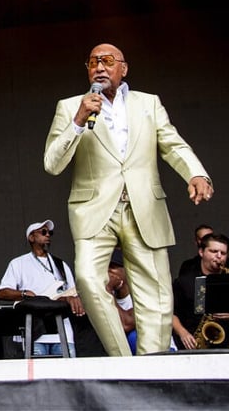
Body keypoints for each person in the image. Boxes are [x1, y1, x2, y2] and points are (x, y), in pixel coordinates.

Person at [44, 42, 214, 356]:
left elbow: (172, 144)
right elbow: (52, 163)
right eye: (93, 61)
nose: (100, 67)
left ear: (124, 68)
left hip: (144, 206)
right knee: (88, 279)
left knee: (156, 295)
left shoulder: (148, 103)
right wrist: (79, 120)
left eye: (108, 61)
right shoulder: (70, 107)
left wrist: (195, 173)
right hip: (94, 209)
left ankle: (151, 367)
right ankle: (124, 362)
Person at [0, 220, 84, 356]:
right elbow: (2, 293)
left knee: (67, 375)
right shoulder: (18, 263)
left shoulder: (61, 265)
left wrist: (73, 299)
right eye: (43, 232)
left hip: (62, 332)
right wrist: (24, 294)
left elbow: (72, 292)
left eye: (50, 232)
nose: (48, 235)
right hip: (34, 332)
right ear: (31, 237)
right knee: (38, 375)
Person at [171, 233, 229, 350]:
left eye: (223, 253)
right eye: (213, 251)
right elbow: (171, 313)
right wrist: (183, 333)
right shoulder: (184, 282)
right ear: (201, 252)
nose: (219, 256)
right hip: (193, 343)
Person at [106, 248, 137, 354]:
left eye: (112, 267)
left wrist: (108, 289)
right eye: (105, 268)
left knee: (133, 336)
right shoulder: (106, 296)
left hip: (161, 354)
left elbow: (125, 325)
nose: (108, 273)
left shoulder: (139, 295)